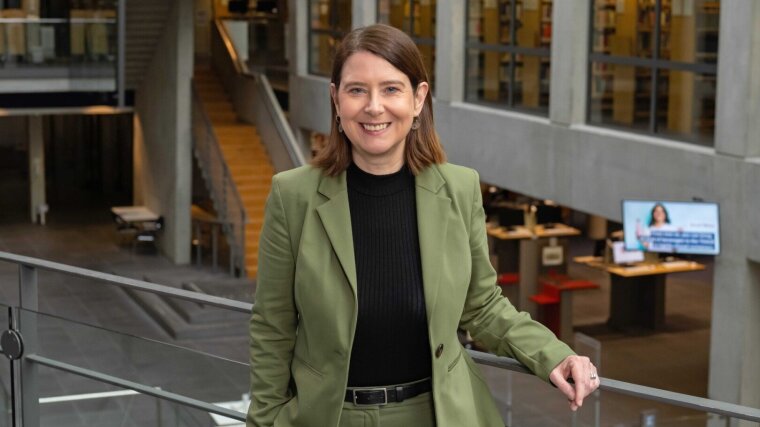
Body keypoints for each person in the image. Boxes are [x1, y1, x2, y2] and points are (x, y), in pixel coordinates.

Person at [247, 24, 599, 427]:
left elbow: (481, 307)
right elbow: (272, 325)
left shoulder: (459, 188)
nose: (374, 107)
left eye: (392, 89)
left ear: (418, 99)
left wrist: (552, 354)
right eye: (357, 89)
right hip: (330, 415)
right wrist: (264, 421)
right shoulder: (294, 196)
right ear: (336, 99)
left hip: (436, 414)